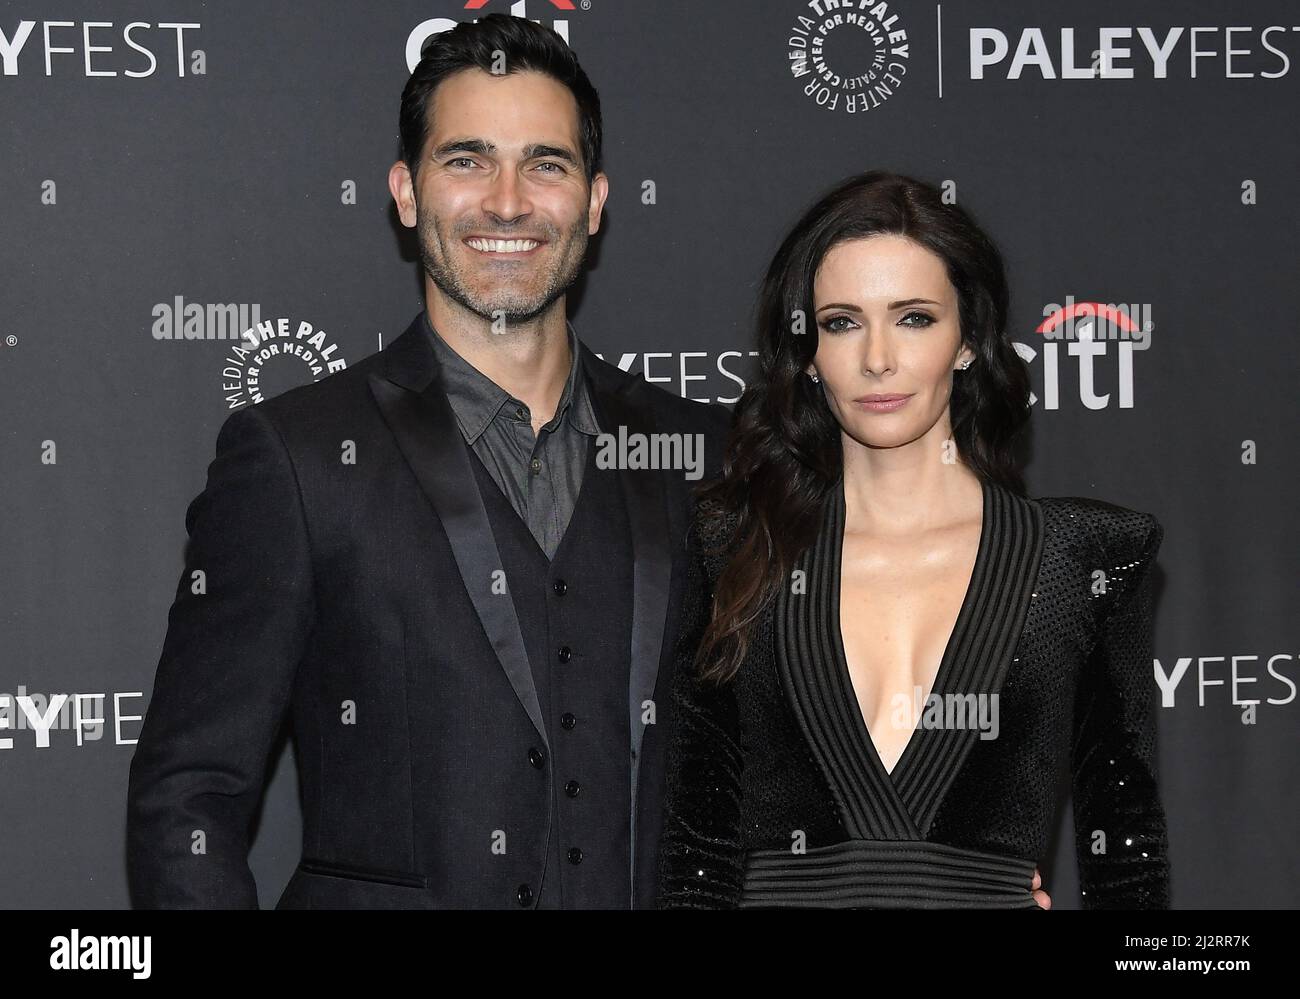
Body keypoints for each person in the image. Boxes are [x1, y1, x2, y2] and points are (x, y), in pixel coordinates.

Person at [127, 13, 729, 909]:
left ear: (596, 202)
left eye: (547, 164)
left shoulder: (701, 458)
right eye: (468, 159)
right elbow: (189, 799)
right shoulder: (292, 458)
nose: (509, 200)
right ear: (406, 193)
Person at [656, 171, 1169, 909]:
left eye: (915, 318)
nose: (877, 359)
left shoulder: (1085, 557)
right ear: (806, 353)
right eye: (841, 322)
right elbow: (696, 853)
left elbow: (1126, 850)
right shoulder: (733, 548)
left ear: (968, 341)